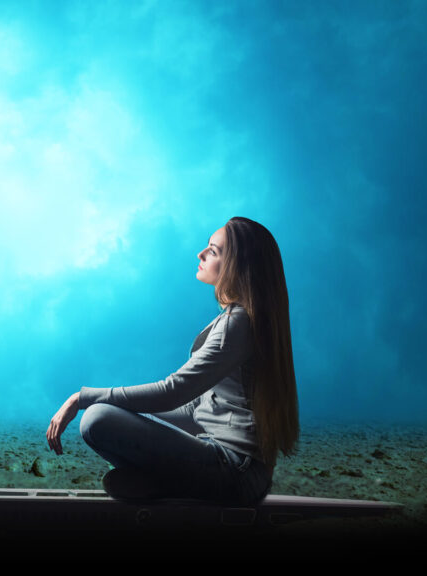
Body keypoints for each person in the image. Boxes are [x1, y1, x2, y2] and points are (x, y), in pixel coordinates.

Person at [46, 216, 299, 504]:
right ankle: (170, 485)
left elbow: (173, 392)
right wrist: (130, 415)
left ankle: (168, 485)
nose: (200, 255)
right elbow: (193, 408)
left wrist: (82, 398)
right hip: (241, 472)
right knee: (107, 414)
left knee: (96, 418)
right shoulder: (238, 321)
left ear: (237, 266)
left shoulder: (237, 324)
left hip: (236, 472)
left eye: (213, 251)